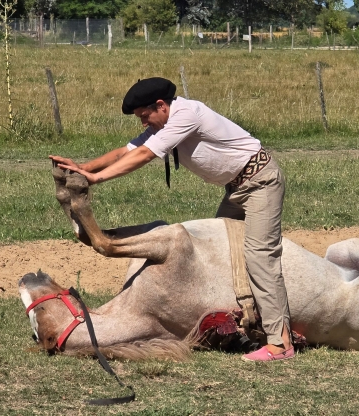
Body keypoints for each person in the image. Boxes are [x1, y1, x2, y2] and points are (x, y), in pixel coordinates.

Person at [49, 77, 294, 362]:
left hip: (260, 183)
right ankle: (243, 323)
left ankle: (281, 343)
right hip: (236, 189)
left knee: (259, 256)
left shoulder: (187, 115)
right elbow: (126, 150)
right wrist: (81, 168)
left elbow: (144, 154)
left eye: (144, 116)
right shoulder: (164, 122)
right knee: (221, 254)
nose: (142, 123)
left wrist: (96, 178)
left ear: (161, 106)